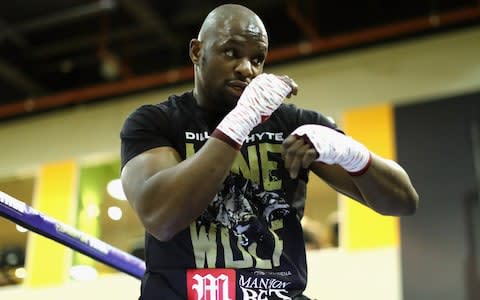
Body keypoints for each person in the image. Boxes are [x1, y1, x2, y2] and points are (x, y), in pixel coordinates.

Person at [119, 4, 419, 300]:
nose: (247, 69)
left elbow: (403, 202)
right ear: (197, 52)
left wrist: (352, 154)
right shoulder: (156, 122)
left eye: (258, 59)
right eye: (231, 52)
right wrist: (240, 122)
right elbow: (161, 218)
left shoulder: (293, 125)